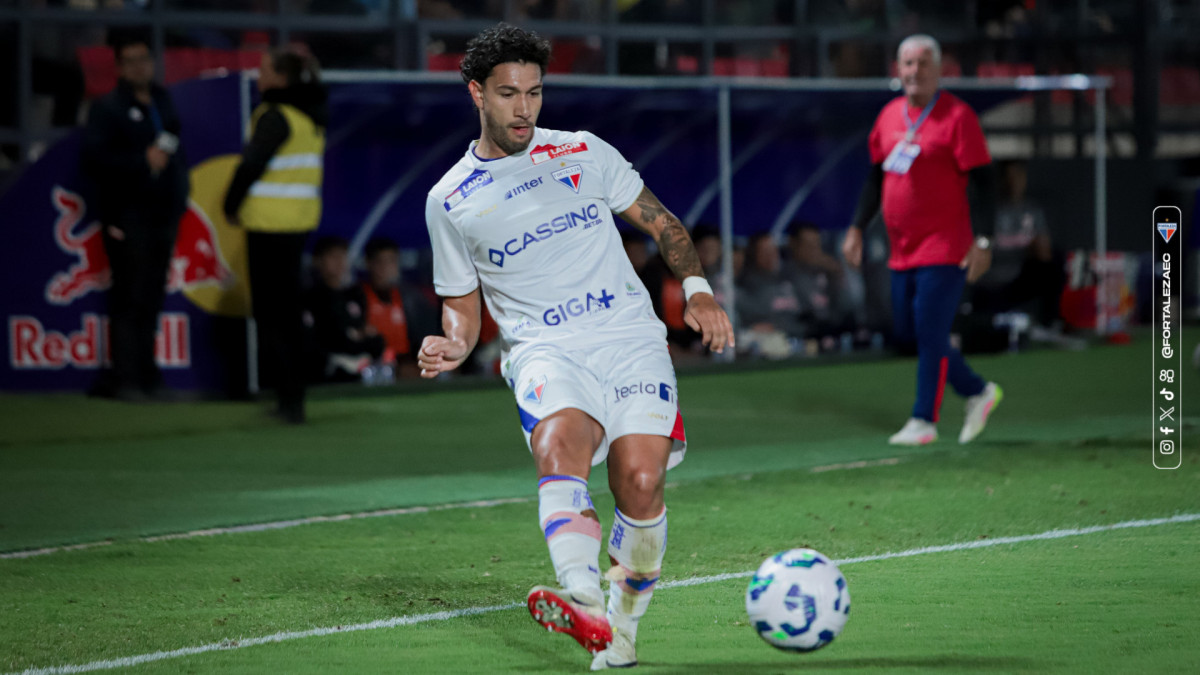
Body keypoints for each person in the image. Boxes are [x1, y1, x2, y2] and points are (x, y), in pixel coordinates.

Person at [418, 23, 733, 670]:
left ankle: (620, 628)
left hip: (628, 338)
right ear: (477, 93)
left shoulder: (584, 151)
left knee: (640, 485)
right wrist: (451, 344)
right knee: (560, 443)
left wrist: (697, 289)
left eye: (534, 92)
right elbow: (461, 305)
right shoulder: (448, 200)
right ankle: (582, 594)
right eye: (508, 94)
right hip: (544, 348)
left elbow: (661, 221)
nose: (525, 108)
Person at [842, 34, 1003, 446]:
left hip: (945, 247)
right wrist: (858, 227)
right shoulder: (889, 117)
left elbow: (986, 181)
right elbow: (876, 176)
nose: (915, 71)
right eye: (908, 63)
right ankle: (976, 390)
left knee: (930, 329)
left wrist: (983, 241)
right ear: (898, 70)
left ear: (939, 69)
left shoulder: (957, 117)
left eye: (924, 63)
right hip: (902, 249)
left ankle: (923, 420)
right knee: (911, 332)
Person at [223, 47, 327, 424]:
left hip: (268, 226)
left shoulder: (275, 116)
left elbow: (251, 164)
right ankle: (293, 398)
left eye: (265, 69)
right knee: (289, 314)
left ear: (280, 78)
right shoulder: (310, 117)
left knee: (272, 316)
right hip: (297, 223)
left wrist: (230, 203)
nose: (257, 73)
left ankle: (288, 403)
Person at [82, 35, 188, 401]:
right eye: (131, 60)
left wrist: (178, 195)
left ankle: (150, 376)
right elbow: (95, 161)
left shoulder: (163, 99)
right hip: (128, 214)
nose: (139, 66)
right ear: (120, 68)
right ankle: (125, 380)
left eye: (144, 58)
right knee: (129, 296)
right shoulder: (108, 108)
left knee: (153, 297)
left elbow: (173, 145)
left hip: (163, 214)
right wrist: (141, 162)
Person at [304, 236, 385, 382]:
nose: (339, 262)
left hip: (359, 356)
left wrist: (361, 334)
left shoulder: (355, 294)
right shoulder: (311, 298)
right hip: (327, 363)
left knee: (377, 341)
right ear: (318, 261)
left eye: (343, 256)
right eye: (333, 256)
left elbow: (362, 330)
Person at [362, 237, 436, 378]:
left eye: (391, 261)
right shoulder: (358, 298)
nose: (385, 268)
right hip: (371, 368)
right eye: (380, 262)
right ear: (368, 263)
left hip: (408, 365)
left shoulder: (411, 299)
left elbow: (425, 338)